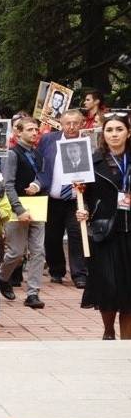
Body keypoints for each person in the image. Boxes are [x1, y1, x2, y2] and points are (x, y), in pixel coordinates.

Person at [76, 111, 131, 338]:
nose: (114, 134)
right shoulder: (92, 161)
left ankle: (127, 340)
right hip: (104, 232)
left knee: (129, 290)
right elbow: (84, 196)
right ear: (103, 133)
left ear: (128, 133)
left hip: (130, 233)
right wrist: (83, 209)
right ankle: (108, 332)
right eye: (109, 130)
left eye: (119, 129)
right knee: (108, 286)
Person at [0, 118, 46, 309]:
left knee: (38, 251)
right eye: (30, 129)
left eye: (36, 129)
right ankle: (2, 276)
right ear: (18, 133)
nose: (35, 132)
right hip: (18, 207)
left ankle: (33, 293)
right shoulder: (12, 154)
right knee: (16, 252)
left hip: (38, 205)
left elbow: (43, 175)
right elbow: (7, 184)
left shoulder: (38, 153)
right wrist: (19, 209)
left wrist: (39, 184)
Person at [38, 109, 88, 287]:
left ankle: (79, 274)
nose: (72, 127)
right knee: (52, 237)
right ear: (61, 123)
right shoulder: (48, 140)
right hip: (53, 197)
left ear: (82, 123)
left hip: (77, 198)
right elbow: (40, 164)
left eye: (76, 123)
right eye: (68, 123)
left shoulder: (87, 142)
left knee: (77, 235)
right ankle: (56, 270)